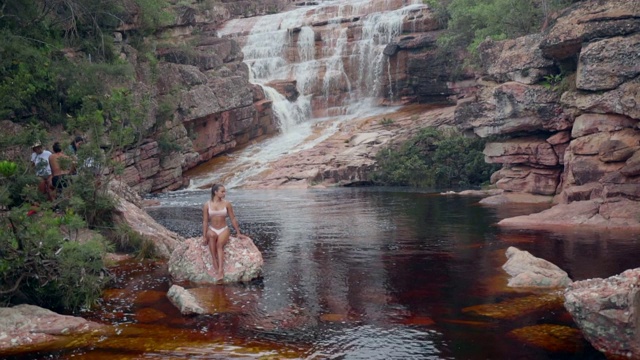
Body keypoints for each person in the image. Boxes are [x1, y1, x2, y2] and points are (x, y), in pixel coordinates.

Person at [202, 184, 248, 278]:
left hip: (224, 229)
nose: (224, 193)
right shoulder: (207, 205)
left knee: (219, 245)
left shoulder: (227, 203)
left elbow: (233, 218)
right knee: (211, 236)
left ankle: (220, 270)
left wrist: (238, 232)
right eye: (222, 191)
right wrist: (203, 236)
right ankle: (214, 261)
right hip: (212, 229)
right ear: (215, 192)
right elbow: (205, 221)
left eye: (224, 191)